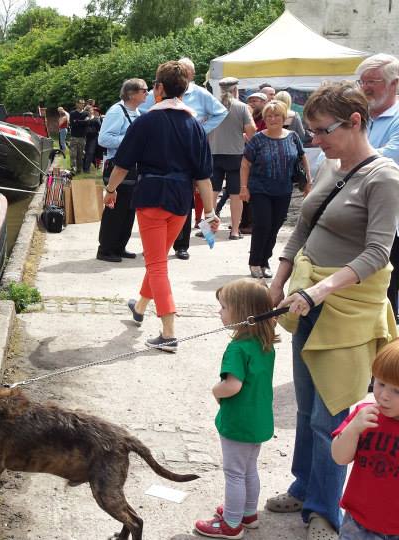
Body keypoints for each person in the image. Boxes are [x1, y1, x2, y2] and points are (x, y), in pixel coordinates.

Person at [266, 81, 399, 537]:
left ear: (356, 121)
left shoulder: (385, 177)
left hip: (345, 310)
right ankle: (305, 486)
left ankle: (324, 509)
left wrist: (318, 293)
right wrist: (279, 278)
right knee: (306, 408)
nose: (315, 141)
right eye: (312, 131)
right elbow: (303, 226)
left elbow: (378, 253)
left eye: (323, 131)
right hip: (307, 300)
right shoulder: (329, 165)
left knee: (331, 417)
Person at [103, 60, 220, 352]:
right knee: (159, 259)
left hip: (152, 196)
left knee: (156, 265)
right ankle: (140, 307)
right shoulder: (195, 125)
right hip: (181, 200)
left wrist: (110, 190)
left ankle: (168, 333)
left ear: (159, 88)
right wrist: (210, 212)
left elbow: (122, 164)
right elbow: (204, 176)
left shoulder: (145, 121)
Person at [193, 279, 276, 540]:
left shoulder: (237, 348)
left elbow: (233, 385)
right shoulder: (265, 345)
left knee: (234, 474)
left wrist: (215, 391)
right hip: (259, 420)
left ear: (243, 314)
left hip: (239, 422)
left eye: (224, 307)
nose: (220, 312)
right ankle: (248, 514)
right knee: (249, 469)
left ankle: (231, 523)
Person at [141, 57, 228, 261]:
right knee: (160, 204)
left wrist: (199, 130)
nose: (184, 78)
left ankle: (181, 245)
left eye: (187, 74)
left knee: (184, 197)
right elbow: (142, 114)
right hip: (161, 151)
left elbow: (220, 112)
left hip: (186, 149)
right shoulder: (158, 95)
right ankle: (157, 246)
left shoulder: (199, 93)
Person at [331, 339, 399, 539]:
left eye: (397, 390)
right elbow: (339, 457)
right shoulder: (365, 414)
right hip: (358, 523)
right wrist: (352, 430)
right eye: (380, 383)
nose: (384, 395)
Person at [240, 101, 311, 278]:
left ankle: (265, 261)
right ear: (264, 118)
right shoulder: (258, 139)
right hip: (260, 189)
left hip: (283, 190)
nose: (273, 119)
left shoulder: (293, 136)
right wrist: (243, 187)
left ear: (284, 117)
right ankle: (255, 262)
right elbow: (245, 164)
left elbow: (303, 158)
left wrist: (308, 181)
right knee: (262, 225)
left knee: (275, 227)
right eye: (269, 116)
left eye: (276, 115)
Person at [355, 54, 399, 321]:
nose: (365, 87)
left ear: (395, 84)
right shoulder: (358, 117)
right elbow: (329, 158)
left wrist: (348, 153)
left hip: (391, 224)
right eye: (362, 81)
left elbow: (389, 159)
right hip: (358, 219)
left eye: (373, 81)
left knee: (388, 293)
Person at [96, 78, 147, 263]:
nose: (147, 94)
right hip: (116, 166)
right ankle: (106, 249)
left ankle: (119, 246)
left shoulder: (138, 112)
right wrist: (131, 140)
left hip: (132, 168)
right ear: (131, 94)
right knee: (115, 209)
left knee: (128, 210)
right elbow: (104, 139)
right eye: (144, 90)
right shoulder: (117, 111)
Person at [208, 77, 256, 239]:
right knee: (235, 194)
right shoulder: (241, 107)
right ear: (236, 90)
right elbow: (252, 131)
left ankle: (209, 230)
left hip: (214, 153)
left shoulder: (212, 105)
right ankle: (235, 231)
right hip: (235, 155)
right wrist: (242, 136)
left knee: (212, 193)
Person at [69, 99, 88, 174]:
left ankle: (79, 170)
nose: (82, 104)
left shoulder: (86, 113)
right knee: (73, 154)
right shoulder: (72, 113)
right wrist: (82, 122)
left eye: (83, 103)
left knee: (80, 155)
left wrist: (77, 121)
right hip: (74, 136)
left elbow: (87, 123)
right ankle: (73, 168)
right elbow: (72, 124)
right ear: (77, 104)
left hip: (82, 137)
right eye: (81, 103)